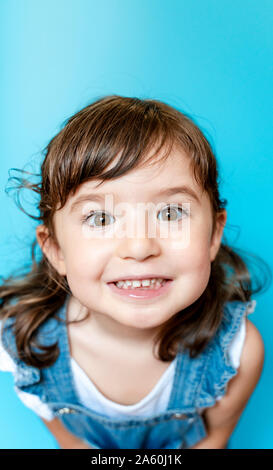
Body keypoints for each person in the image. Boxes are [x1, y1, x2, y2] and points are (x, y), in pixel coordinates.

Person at [0, 95, 268, 449]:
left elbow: (214, 439)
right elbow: (72, 444)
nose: (140, 247)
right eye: (100, 219)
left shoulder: (237, 352)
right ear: (56, 250)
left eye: (171, 213)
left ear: (213, 235)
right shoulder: (26, 346)